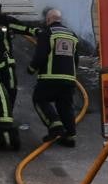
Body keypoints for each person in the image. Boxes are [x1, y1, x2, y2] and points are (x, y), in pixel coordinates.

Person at [29, 8, 80, 147]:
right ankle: (70, 137)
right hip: (69, 79)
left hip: (49, 78)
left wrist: (31, 68)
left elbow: (40, 56)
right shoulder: (72, 35)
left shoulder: (47, 33)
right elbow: (75, 59)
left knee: (39, 99)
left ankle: (54, 126)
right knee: (66, 107)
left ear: (48, 20)